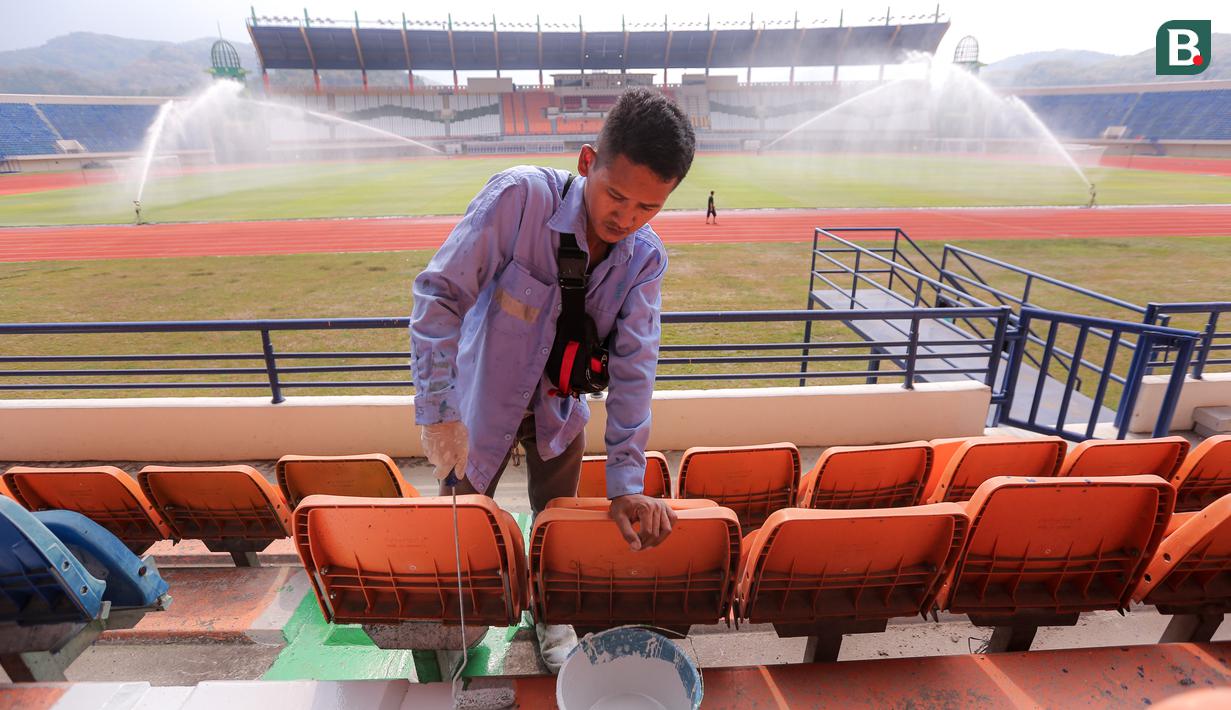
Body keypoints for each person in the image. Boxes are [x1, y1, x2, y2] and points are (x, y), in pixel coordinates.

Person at [409, 87, 697, 673]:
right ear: (587, 161)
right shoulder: (518, 199)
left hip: (559, 414)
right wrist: (438, 410)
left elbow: (635, 368)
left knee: (556, 523)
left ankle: (549, 610)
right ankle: (468, 606)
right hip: (476, 406)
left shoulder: (644, 258)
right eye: (616, 196)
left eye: (649, 209)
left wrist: (625, 482)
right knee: (465, 520)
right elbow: (439, 297)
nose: (627, 219)